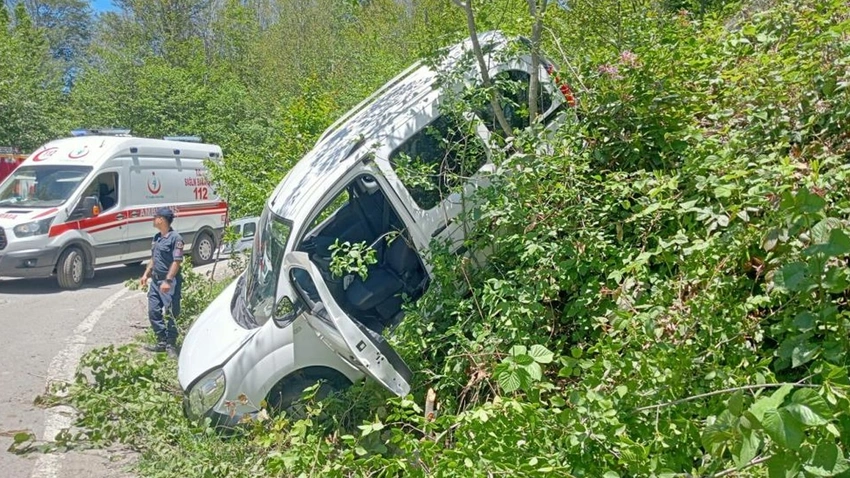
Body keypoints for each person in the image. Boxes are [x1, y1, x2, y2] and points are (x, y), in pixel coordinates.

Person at [140, 207, 184, 358]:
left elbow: (176, 261)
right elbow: (153, 258)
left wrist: (168, 280)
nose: (154, 219)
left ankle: (171, 343)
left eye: (156, 217)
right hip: (155, 280)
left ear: (162, 219)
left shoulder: (175, 238)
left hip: (168, 281)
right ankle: (161, 341)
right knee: (153, 311)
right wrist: (146, 274)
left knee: (171, 312)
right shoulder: (157, 237)